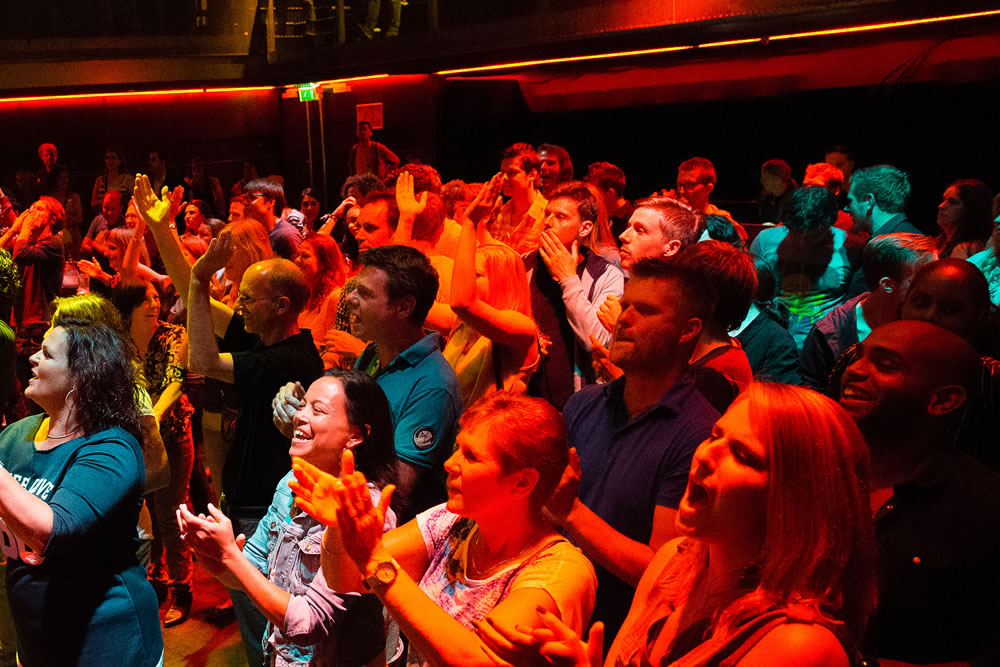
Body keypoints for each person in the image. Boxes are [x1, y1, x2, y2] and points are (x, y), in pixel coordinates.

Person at [489, 383, 876, 667]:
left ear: (795, 500)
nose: (706, 455)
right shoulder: (675, 562)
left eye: (742, 455)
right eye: (715, 435)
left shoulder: (797, 644)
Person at [134, 176, 324, 666]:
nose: (237, 303)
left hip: (269, 513)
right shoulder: (263, 335)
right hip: (251, 505)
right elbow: (193, 296)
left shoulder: (289, 359)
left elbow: (203, 356)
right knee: (255, 632)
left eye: (247, 298)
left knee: (270, 640)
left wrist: (199, 279)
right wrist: (162, 232)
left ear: (280, 306)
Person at [290, 391, 598, 667]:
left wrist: (376, 561)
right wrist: (340, 526)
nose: (450, 463)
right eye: (456, 449)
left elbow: (474, 659)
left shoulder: (562, 571)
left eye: (471, 456)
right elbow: (345, 577)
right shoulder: (456, 522)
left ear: (522, 482)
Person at [546, 258, 719, 647]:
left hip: (617, 640)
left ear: (689, 330)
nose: (624, 319)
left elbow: (662, 570)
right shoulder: (584, 403)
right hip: (548, 611)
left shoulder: (700, 435)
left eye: (645, 310)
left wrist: (571, 512)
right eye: (625, 306)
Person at [179, 370, 398, 666]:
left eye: (317, 410)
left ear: (356, 435)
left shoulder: (366, 512)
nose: (299, 416)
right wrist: (214, 557)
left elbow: (308, 624)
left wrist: (231, 556)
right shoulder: (289, 484)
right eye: (303, 404)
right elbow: (250, 572)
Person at [0, 319, 163, 666]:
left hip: (108, 644)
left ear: (81, 376)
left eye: (46, 354)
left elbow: (53, 530)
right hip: (37, 643)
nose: (31, 358)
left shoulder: (111, 448)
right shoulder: (15, 437)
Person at [838, 320, 1000, 664]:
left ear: (943, 400)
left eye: (884, 365)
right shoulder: (813, 468)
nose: (854, 370)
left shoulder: (985, 508)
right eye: (858, 356)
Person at [112, 279, 196, 626]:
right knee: (143, 511)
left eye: (155, 298)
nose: (153, 304)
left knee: (169, 513)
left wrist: (153, 417)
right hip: (134, 439)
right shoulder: (120, 343)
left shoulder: (175, 336)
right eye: (143, 300)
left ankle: (183, 586)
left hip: (171, 434)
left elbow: (176, 381)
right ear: (127, 308)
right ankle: (156, 577)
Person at [524, 180, 624, 409]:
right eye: (547, 214)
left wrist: (568, 278)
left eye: (560, 217)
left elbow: (595, 340)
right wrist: (528, 332)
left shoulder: (605, 275)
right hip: (527, 397)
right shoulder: (524, 265)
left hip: (577, 403)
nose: (548, 223)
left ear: (585, 228)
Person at [439, 177, 539, 407]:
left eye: (475, 276)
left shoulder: (522, 327)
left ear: (501, 281)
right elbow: (401, 298)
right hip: (458, 438)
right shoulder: (462, 324)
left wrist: (470, 223)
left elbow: (462, 302)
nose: (466, 282)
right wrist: (405, 220)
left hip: (495, 440)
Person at [799, 233, 937, 391]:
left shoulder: (929, 323)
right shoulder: (830, 334)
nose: (933, 286)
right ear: (887, 285)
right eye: (921, 280)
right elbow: (814, 398)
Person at [751, 186, 853, 347]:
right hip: (772, 341)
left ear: (830, 223)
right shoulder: (765, 240)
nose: (802, 240)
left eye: (812, 234)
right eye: (794, 231)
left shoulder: (851, 246)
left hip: (822, 345)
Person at [488, 143, 549, 255]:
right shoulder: (499, 213)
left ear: (532, 174)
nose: (504, 178)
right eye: (502, 173)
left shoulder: (547, 216)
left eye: (512, 173)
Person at [295, 233, 348, 353]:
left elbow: (336, 352)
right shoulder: (302, 298)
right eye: (297, 255)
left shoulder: (335, 299)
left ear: (324, 263)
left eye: (305, 256)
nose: (297, 260)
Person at [242, 177, 302, 261]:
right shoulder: (252, 234)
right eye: (244, 199)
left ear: (270, 202)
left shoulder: (287, 235)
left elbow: (300, 270)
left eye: (251, 198)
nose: (245, 203)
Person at [934, 178, 994, 259]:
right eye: (944, 200)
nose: (941, 206)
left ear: (970, 210)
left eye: (952, 202)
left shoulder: (966, 249)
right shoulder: (940, 242)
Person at [585, 161, 633, 243]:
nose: (590, 197)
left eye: (594, 192)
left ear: (610, 193)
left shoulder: (631, 221)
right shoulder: (606, 218)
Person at [45, 164, 83, 259]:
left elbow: (79, 218)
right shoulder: (48, 199)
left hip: (73, 240)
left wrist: (61, 221)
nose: (65, 181)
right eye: (61, 178)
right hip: (55, 240)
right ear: (55, 180)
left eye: (66, 177)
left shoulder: (75, 197)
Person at [90, 147, 134, 214]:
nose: (110, 160)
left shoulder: (127, 178)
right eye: (107, 158)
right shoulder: (100, 180)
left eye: (113, 158)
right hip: (104, 217)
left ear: (120, 161)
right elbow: (93, 204)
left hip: (122, 216)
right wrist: (106, 201)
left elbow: (134, 200)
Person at [757, 158, 796, 223]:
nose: (761, 181)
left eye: (765, 177)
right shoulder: (764, 197)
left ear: (777, 179)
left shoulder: (797, 200)